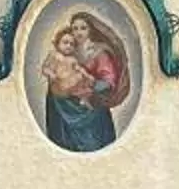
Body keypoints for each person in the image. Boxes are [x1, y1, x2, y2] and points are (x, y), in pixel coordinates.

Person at [41, 9, 130, 151]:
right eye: (75, 28)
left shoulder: (99, 52)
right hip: (63, 108)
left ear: (90, 30)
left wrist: (88, 89)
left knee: (92, 147)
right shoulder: (68, 50)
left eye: (83, 28)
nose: (78, 32)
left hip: (90, 111)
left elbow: (108, 81)